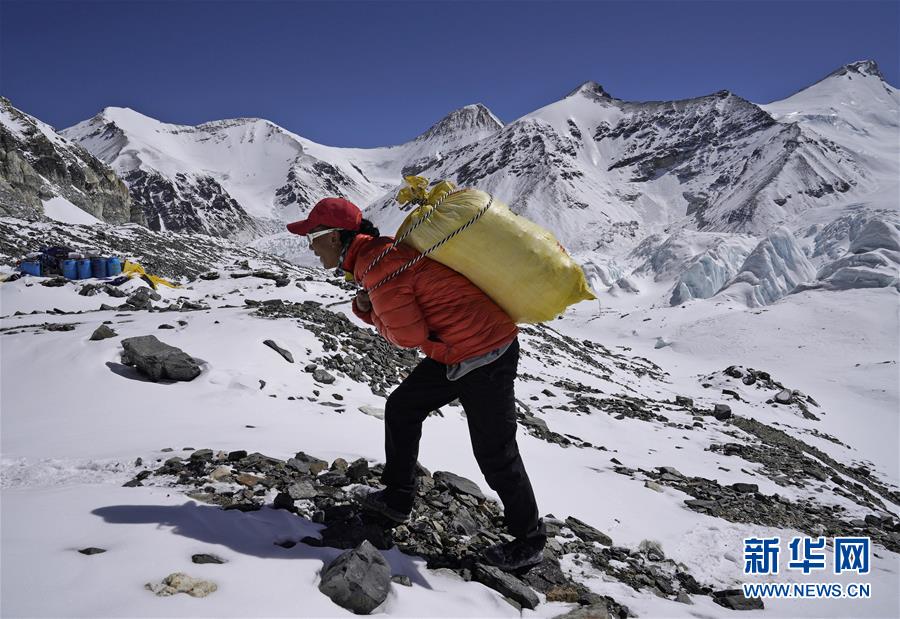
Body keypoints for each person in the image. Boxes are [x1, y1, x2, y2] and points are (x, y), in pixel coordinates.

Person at [287, 196, 546, 571]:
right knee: (403, 407)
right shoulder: (376, 257)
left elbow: (407, 336)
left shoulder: (378, 269)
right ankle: (397, 498)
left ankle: (530, 540)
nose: (310, 245)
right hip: (456, 350)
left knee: (495, 452)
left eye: (312, 235)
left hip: (486, 353)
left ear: (333, 237)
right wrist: (370, 308)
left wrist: (370, 312)